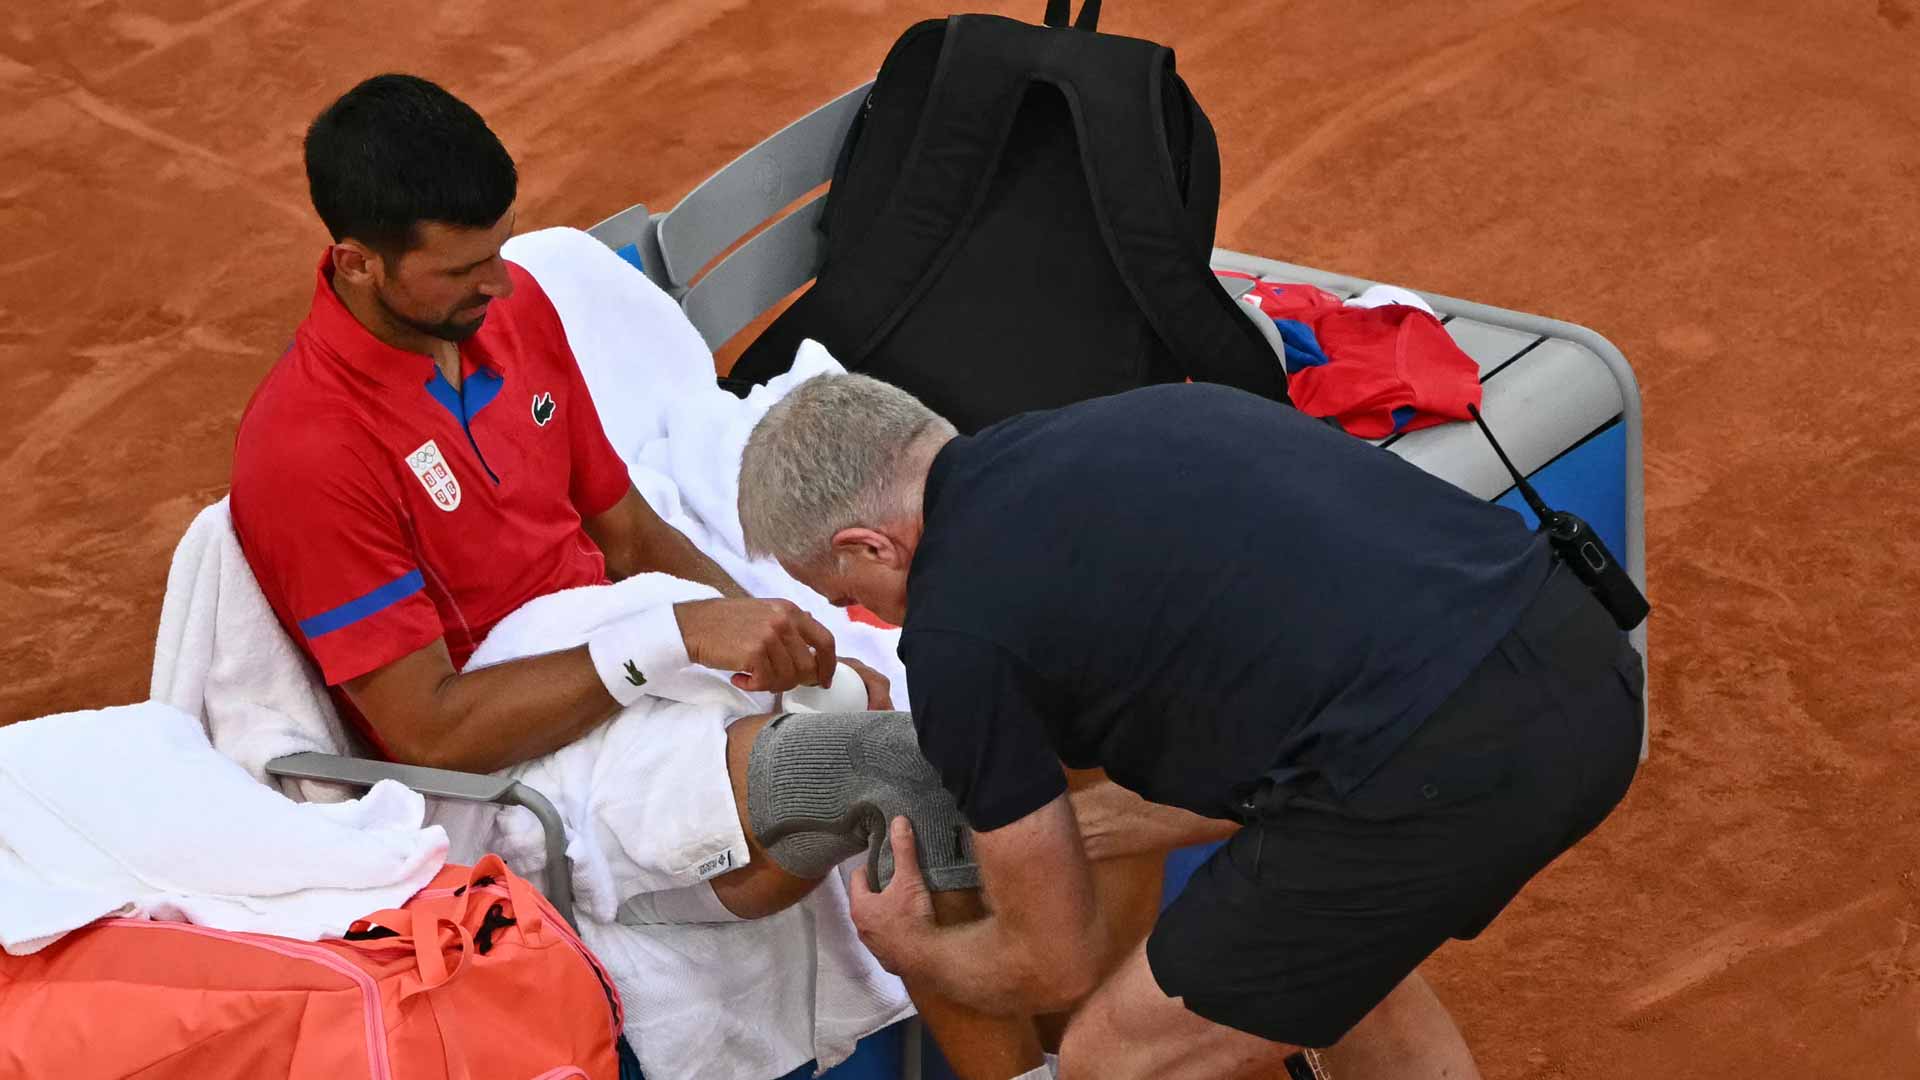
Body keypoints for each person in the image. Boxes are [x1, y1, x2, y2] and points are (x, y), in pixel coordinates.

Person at [231, 74, 1046, 1078]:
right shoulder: (308, 452)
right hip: (511, 769)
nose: (499, 284)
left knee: (948, 726)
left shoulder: (513, 311)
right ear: (355, 262)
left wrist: (759, 624)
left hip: (625, 668)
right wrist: (672, 641)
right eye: (463, 269)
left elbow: (621, 526)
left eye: (500, 250)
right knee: (902, 768)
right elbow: (430, 729)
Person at [736, 374, 1645, 1080]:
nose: (880, 624)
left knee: (1114, 1058)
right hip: (1585, 667)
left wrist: (912, 948)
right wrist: (1074, 834)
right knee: (1314, 956)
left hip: (1440, 778)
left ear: (868, 545)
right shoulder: (1134, 419)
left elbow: (1054, 962)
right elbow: (1277, 720)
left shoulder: (956, 637)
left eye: (853, 597)